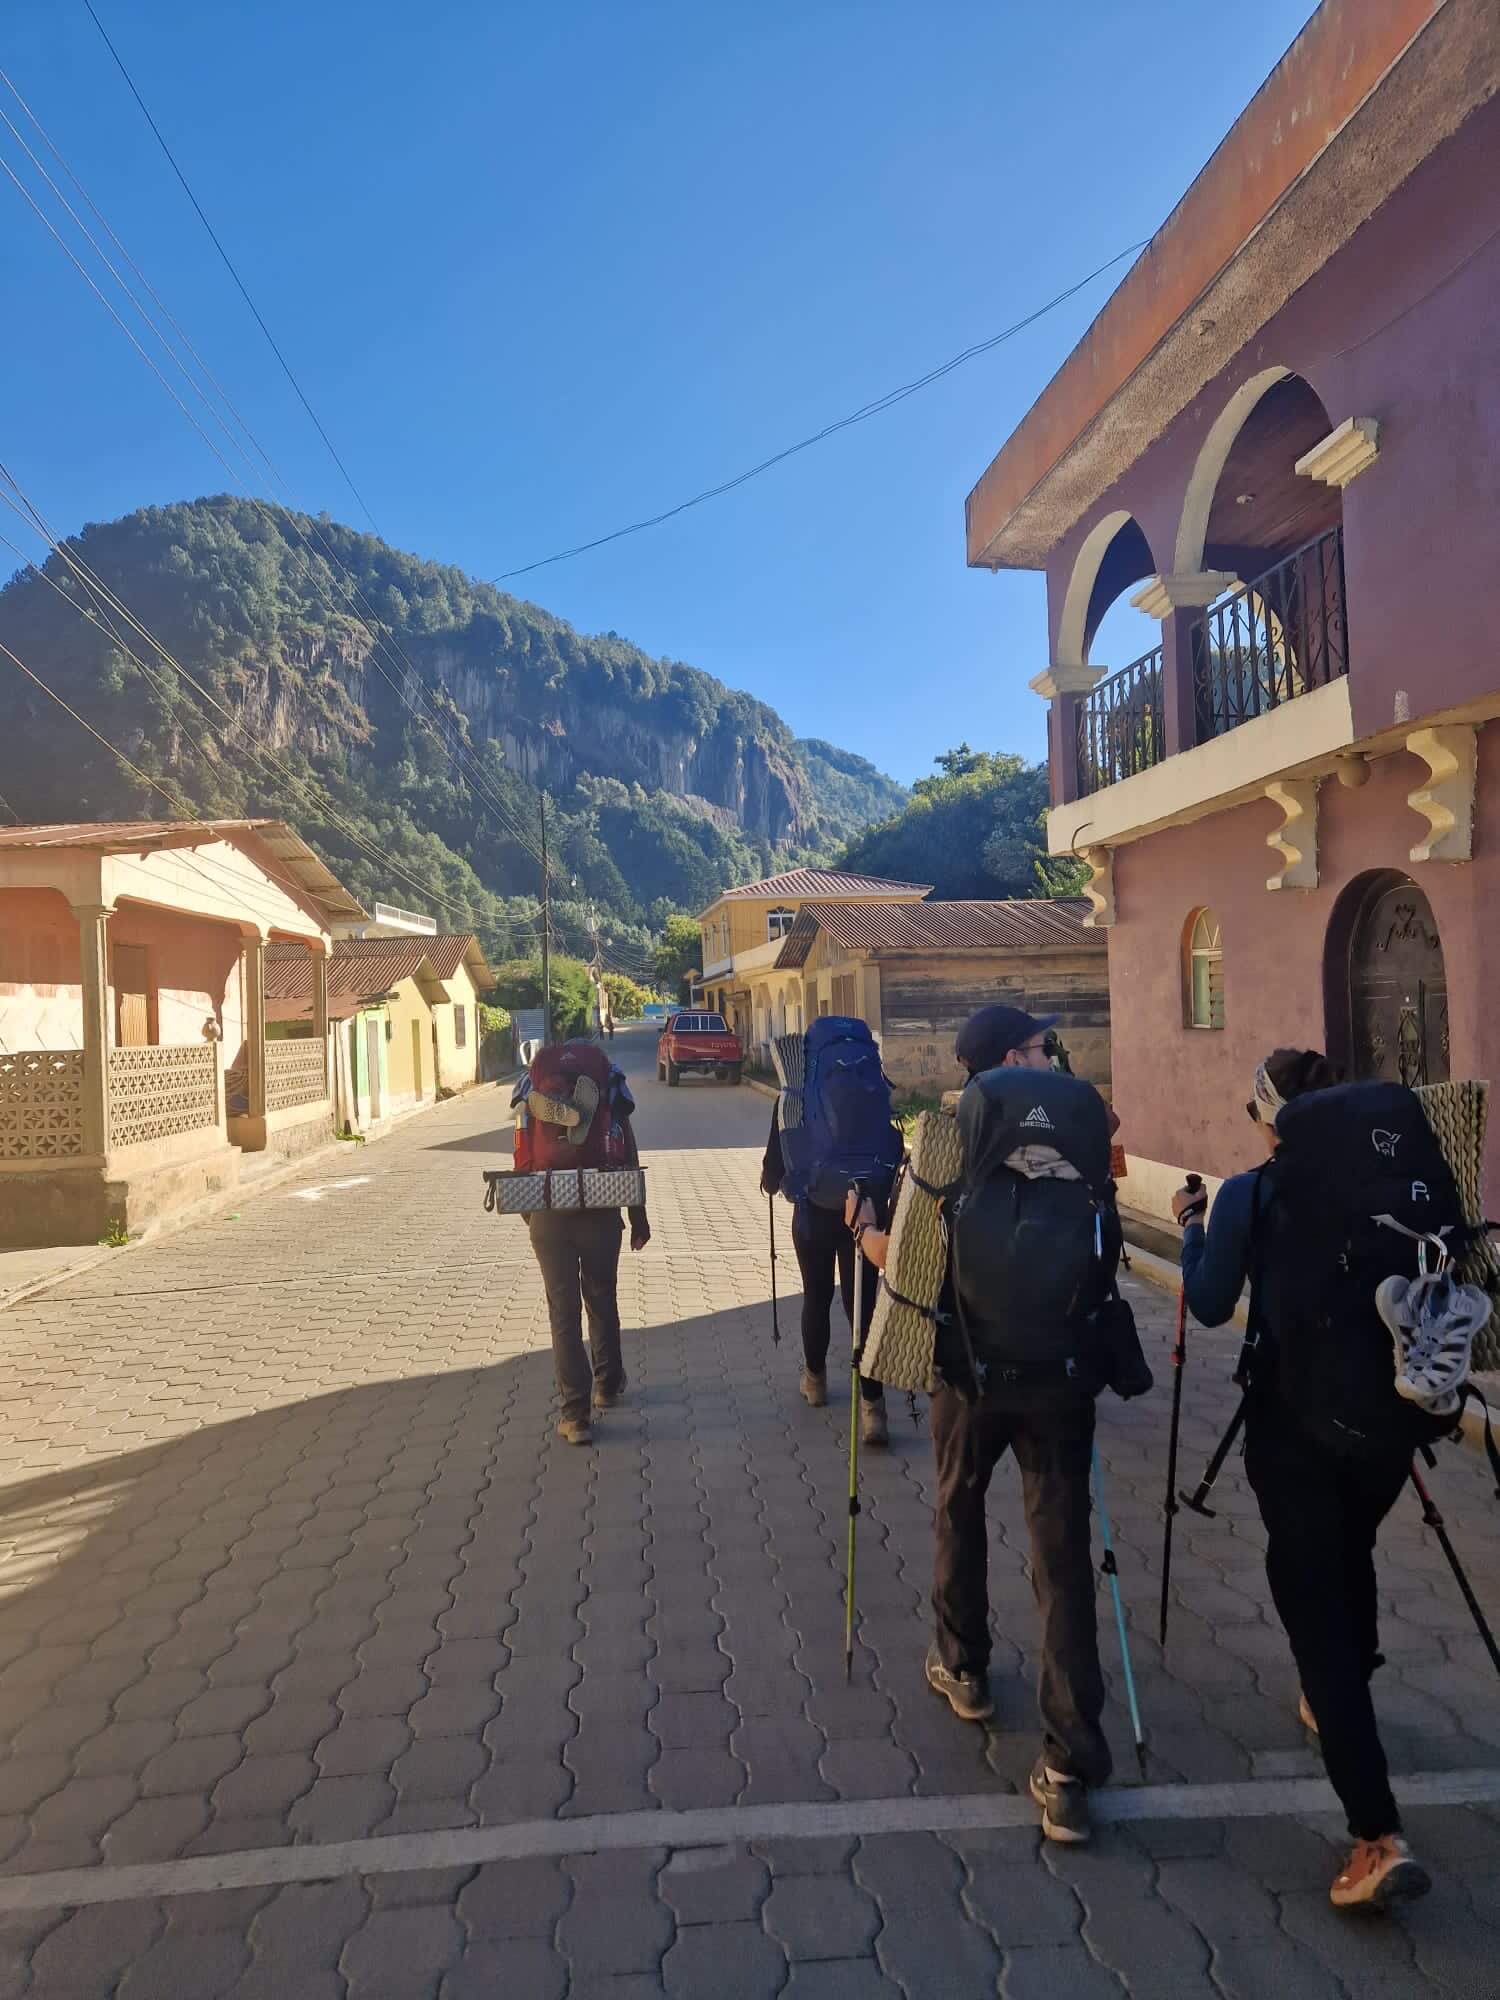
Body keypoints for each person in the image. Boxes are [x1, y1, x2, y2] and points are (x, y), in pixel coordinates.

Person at [1173, 1047, 1433, 1911]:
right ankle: (1344, 1686)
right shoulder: (1390, 1182)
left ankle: (1375, 1836)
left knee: (1310, 1602)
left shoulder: (1253, 1192)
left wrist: (1192, 1227)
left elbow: (1210, 1303)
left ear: (1268, 1116)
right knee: (1350, 1546)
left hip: (1292, 1432)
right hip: (1392, 1426)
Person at [853, 1002, 1118, 1845]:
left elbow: (905, 1266)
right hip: (1062, 1378)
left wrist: (863, 1228)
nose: (1053, 1053)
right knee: (1062, 1551)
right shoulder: (1080, 1127)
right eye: (1044, 1045)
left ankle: (963, 1667)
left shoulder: (942, 1142)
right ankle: (1071, 1766)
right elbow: (1105, 1250)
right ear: (1014, 1055)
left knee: (957, 1508)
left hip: (967, 1376)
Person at [515, 1047, 650, 1447]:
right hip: (600, 1202)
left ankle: (575, 1416)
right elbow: (628, 1153)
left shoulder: (528, 1085)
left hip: (550, 1207)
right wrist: (638, 1217)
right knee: (602, 1296)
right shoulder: (611, 1083)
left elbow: (522, 1153)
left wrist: (534, 1216)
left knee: (563, 1312)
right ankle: (606, 1385)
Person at [763, 1097, 890, 1445]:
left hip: (812, 1213)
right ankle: (872, 1407)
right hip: (863, 1209)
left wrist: (776, 1178)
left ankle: (815, 1382)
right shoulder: (869, 1081)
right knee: (861, 1305)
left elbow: (773, 1175)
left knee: (817, 1296)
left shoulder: (793, 1093)